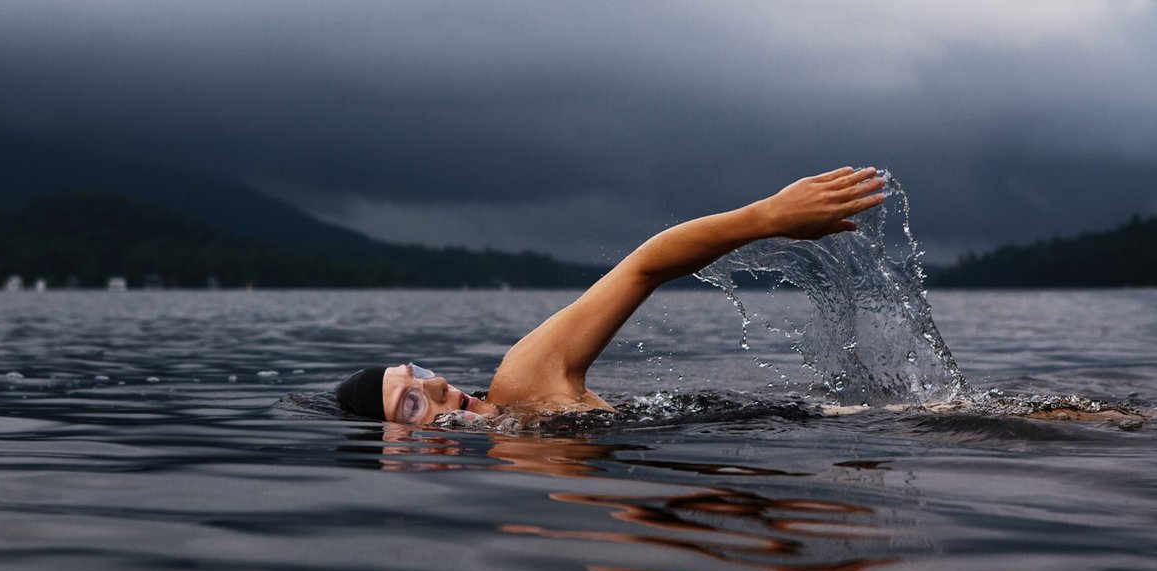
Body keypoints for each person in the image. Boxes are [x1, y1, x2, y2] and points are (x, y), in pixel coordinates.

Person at [335, 166, 887, 424]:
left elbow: (642, 268)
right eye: (411, 402)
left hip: (853, 423)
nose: (436, 384)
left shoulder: (523, 385)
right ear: (396, 453)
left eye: (419, 373)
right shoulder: (519, 475)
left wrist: (766, 217)